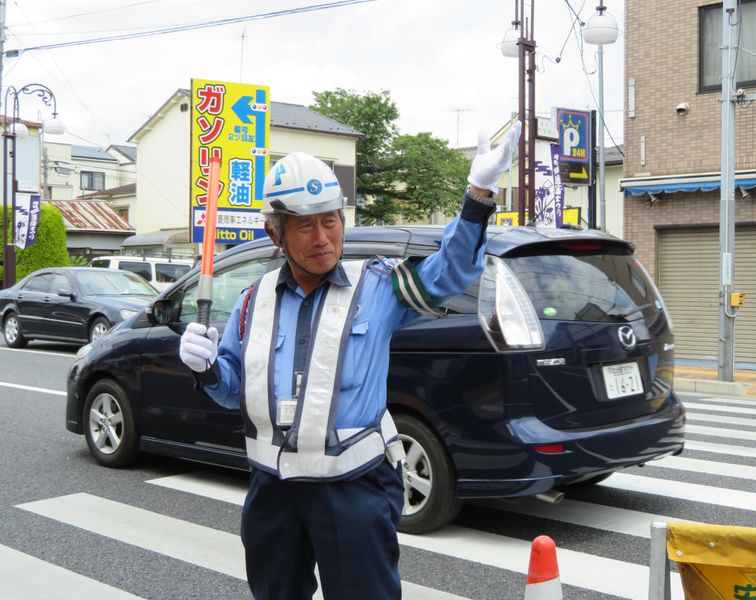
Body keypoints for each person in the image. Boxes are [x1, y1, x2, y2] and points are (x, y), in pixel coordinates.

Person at [179, 121, 521, 600]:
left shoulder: (377, 286)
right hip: (272, 492)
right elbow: (232, 387)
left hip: (355, 490)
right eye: (305, 224)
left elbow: (451, 271)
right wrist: (207, 368)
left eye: (331, 219)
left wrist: (478, 195)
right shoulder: (251, 301)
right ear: (274, 231)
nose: (322, 237)